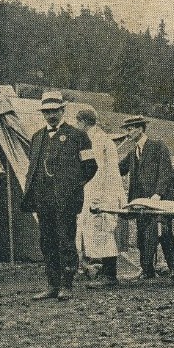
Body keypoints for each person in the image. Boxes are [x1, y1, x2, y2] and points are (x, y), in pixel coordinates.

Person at [21, 91, 98, 300]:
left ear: (63, 110)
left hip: (66, 201)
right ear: (42, 113)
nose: (50, 115)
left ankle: (67, 284)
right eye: (46, 112)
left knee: (65, 240)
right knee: (47, 241)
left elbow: (91, 167)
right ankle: (52, 285)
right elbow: (33, 167)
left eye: (54, 111)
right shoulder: (37, 137)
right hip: (43, 199)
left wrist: (73, 187)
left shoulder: (78, 136)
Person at [118, 115, 174, 278]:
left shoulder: (158, 146)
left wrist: (158, 194)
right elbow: (118, 170)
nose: (128, 133)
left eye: (130, 129)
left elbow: (166, 172)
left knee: (162, 231)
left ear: (140, 129)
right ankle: (147, 270)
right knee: (142, 234)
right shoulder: (133, 152)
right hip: (141, 201)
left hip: (160, 199)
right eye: (126, 129)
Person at [74, 109, 126, 285]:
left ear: (83, 122)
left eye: (77, 122)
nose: (76, 126)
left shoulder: (97, 140)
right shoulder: (99, 137)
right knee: (96, 232)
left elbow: (97, 169)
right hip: (100, 191)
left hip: (102, 192)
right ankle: (103, 269)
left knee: (103, 232)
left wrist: (94, 195)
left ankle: (110, 275)